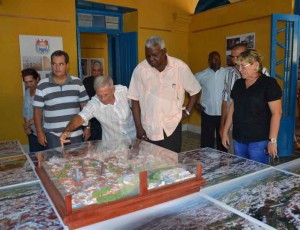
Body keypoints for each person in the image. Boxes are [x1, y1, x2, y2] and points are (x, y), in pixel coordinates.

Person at [128, 35, 201, 153]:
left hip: (171, 127)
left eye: (154, 55)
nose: (151, 59)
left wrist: (187, 111)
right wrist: (138, 128)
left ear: (164, 52)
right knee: (149, 165)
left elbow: (195, 90)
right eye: (148, 56)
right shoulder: (140, 70)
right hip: (149, 128)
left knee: (170, 165)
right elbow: (134, 99)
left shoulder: (179, 68)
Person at [222, 49, 282, 164]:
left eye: (243, 66)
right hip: (239, 138)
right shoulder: (239, 84)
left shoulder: (269, 84)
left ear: (256, 65)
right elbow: (233, 107)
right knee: (241, 170)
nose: (240, 70)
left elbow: (277, 113)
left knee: (258, 174)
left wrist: (272, 140)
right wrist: (225, 131)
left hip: (259, 139)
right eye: (238, 66)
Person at [33, 50, 90, 149]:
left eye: (61, 64)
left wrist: (88, 127)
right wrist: (39, 132)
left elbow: (86, 108)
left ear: (67, 65)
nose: (57, 68)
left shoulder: (77, 82)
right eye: (54, 64)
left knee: (77, 163)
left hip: (75, 134)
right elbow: (37, 111)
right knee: (54, 163)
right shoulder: (42, 85)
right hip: (53, 137)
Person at [60, 76, 136, 146]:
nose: (103, 99)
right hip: (113, 147)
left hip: (135, 141)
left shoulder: (123, 91)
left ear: (113, 90)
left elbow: (137, 107)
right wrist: (66, 131)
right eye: (99, 95)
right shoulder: (94, 104)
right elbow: (80, 117)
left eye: (106, 95)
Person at [194, 51, 227, 151]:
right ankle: (206, 162)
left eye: (217, 58)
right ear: (209, 61)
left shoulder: (227, 73)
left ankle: (223, 163)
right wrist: (195, 104)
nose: (215, 61)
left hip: (223, 113)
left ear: (220, 59)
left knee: (223, 141)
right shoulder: (201, 75)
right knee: (206, 143)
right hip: (207, 113)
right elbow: (190, 88)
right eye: (212, 59)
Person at [219, 43, 247, 153]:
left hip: (254, 128)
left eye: (238, 56)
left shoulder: (260, 73)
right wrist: (222, 126)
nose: (235, 60)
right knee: (234, 160)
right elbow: (226, 102)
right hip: (232, 127)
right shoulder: (229, 74)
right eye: (232, 57)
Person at [22, 68, 46, 153]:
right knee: (34, 158)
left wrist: (28, 124)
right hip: (31, 132)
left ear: (37, 79)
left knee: (44, 158)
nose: (28, 84)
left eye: (31, 81)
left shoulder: (42, 92)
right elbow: (25, 111)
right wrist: (26, 126)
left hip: (42, 132)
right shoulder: (27, 92)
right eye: (26, 82)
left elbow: (43, 113)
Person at [83, 60, 104, 141]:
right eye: (94, 70)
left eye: (98, 71)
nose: (96, 73)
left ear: (102, 71)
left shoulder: (106, 82)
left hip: (102, 119)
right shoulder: (86, 81)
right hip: (90, 119)